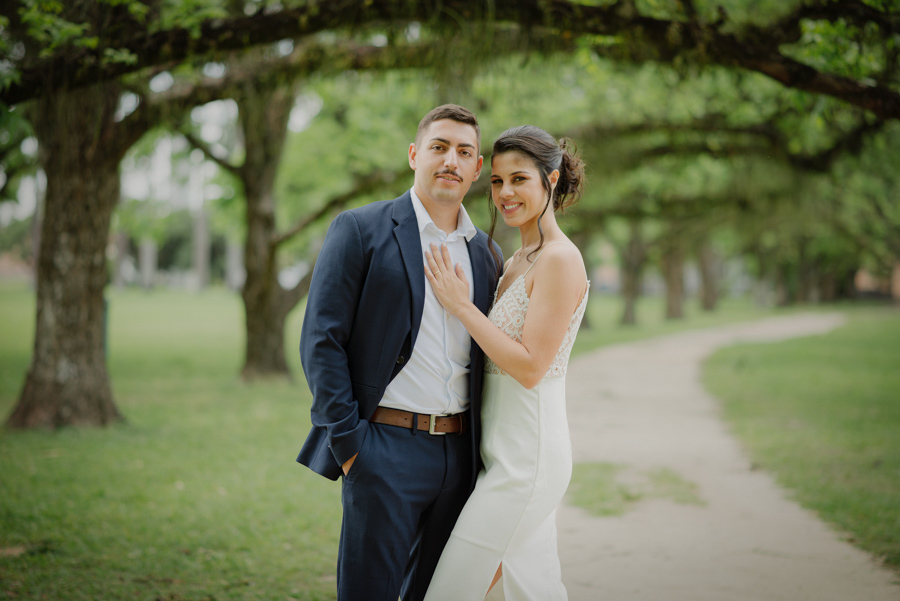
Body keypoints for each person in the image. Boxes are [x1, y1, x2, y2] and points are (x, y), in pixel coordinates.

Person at [296, 104, 503, 601]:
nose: (451, 160)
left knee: (438, 594)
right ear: (414, 155)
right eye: (439, 147)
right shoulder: (360, 229)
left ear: (477, 168)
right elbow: (321, 341)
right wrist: (351, 447)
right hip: (381, 449)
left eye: (464, 152)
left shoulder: (487, 254)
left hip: (460, 456)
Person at [421, 125, 589, 601]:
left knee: (451, 590)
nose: (505, 193)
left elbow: (532, 367)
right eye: (496, 181)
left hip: (528, 460)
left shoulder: (560, 259)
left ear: (550, 180)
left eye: (519, 179)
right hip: (497, 454)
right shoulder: (515, 260)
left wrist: (462, 306)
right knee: (522, 589)